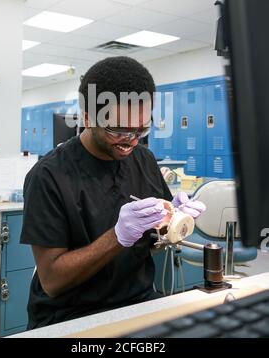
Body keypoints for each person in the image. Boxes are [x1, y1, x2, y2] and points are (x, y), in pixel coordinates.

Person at [20, 57, 201, 330]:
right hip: (72, 317)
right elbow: (53, 281)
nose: (132, 140)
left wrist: (170, 222)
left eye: (142, 128)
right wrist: (117, 237)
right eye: (119, 129)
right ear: (87, 118)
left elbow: (152, 241)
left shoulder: (145, 160)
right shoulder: (48, 176)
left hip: (139, 302)